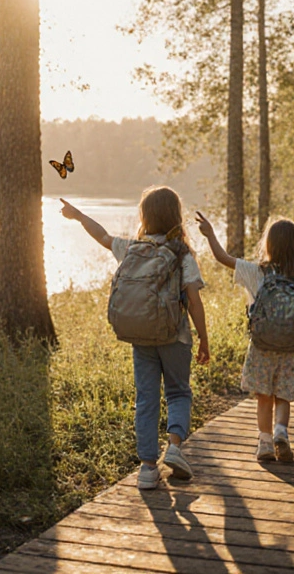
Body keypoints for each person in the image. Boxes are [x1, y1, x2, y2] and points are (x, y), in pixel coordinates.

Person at [60, 187, 210, 489]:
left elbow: (103, 236)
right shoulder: (181, 253)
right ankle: (175, 447)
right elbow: (194, 301)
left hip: (141, 337)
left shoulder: (132, 248)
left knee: (146, 398)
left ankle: (147, 468)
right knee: (178, 392)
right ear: (175, 217)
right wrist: (204, 340)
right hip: (176, 337)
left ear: (145, 216)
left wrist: (78, 216)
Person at [197, 214, 294, 462]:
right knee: (283, 395)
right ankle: (280, 432)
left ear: (269, 244)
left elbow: (223, 258)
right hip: (291, 348)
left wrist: (210, 234)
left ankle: (265, 442)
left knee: (264, 397)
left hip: (262, 347)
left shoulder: (256, 272)